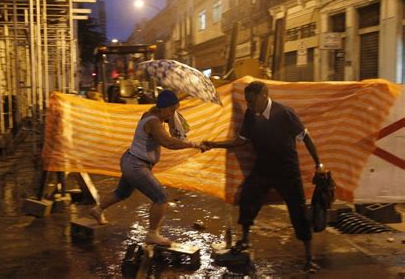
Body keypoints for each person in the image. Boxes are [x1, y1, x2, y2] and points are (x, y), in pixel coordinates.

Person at [202, 81, 322, 271]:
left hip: (287, 171)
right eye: (246, 101)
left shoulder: (284, 113)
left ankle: (309, 257)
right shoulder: (251, 115)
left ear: (264, 96)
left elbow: (305, 137)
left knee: (298, 211)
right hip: (263, 168)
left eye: (251, 101)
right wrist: (213, 144)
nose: (248, 105)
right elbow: (240, 141)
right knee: (248, 198)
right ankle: (245, 239)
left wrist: (318, 163)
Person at [89, 90, 205, 246]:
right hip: (136, 165)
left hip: (130, 160)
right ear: (163, 108)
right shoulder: (153, 122)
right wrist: (193, 144)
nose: (173, 113)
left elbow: (169, 107)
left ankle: (97, 210)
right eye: (172, 110)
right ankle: (152, 234)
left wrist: (188, 94)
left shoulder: (154, 114)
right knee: (161, 197)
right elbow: (168, 142)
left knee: (121, 193)